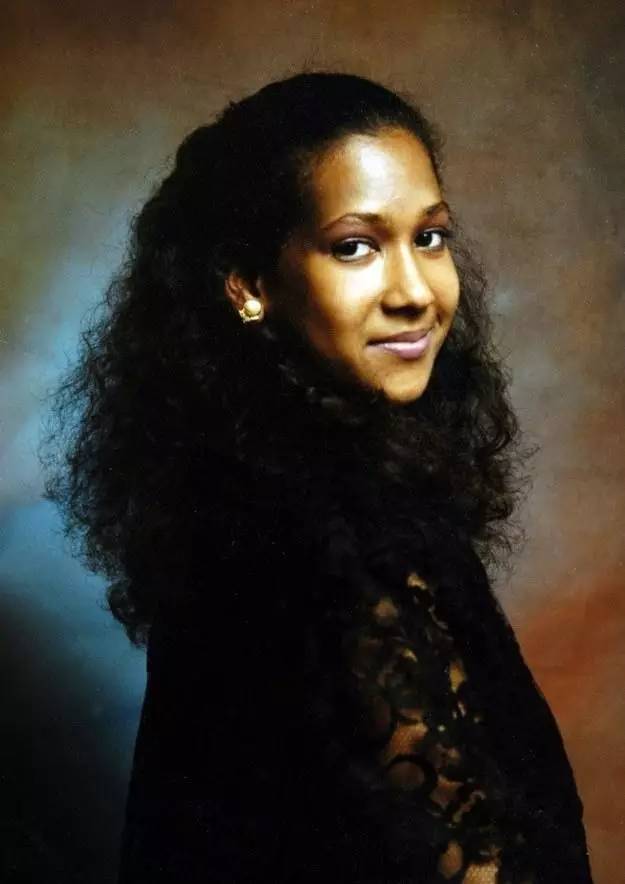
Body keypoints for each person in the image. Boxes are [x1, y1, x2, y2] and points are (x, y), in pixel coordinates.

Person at [44, 72, 592, 882]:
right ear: (249, 285)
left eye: (429, 236)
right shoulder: (340, 533)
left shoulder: (246, 489)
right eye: (354, 246)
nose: (414, 292)